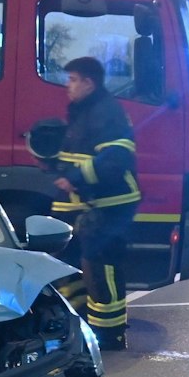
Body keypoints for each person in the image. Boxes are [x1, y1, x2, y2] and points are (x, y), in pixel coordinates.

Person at [45, 56, 141, 350]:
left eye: (73, 79)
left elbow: (116, 158)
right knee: (71, 266)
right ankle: (83, 323)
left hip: (109, 205)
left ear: (89, 82)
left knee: (101, 268)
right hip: (87, 205)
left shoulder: (106, 112)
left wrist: (75, 177)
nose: (67, 85)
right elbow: (82, 152)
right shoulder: (85, 110)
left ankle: (109, 336)